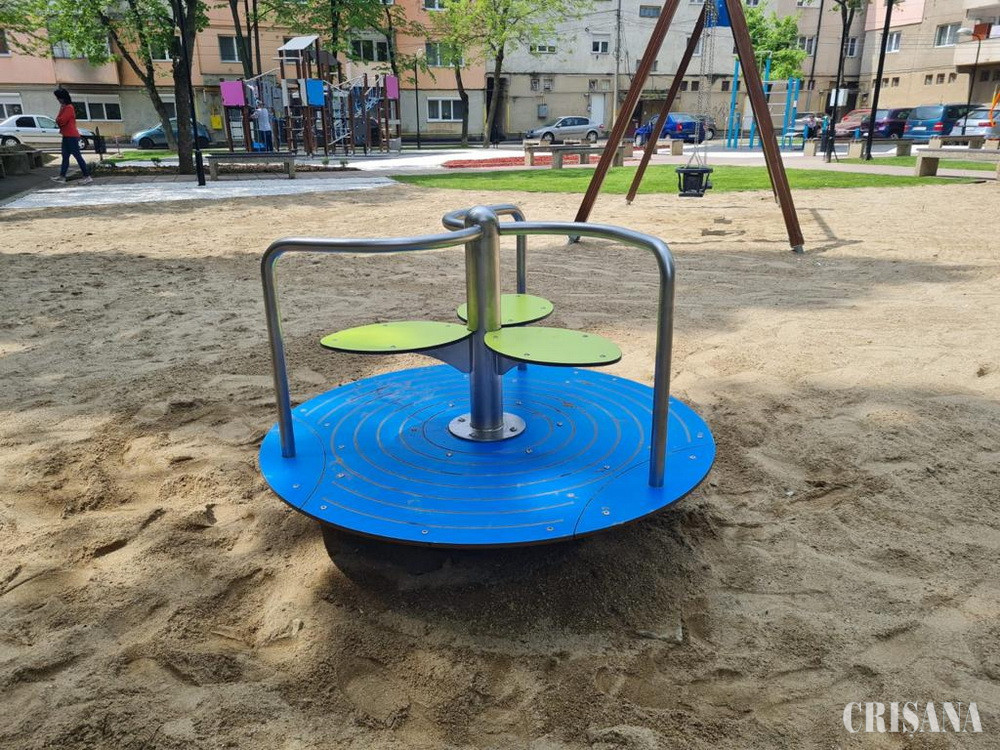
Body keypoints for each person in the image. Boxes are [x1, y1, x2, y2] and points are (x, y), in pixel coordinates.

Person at [52, 88, 92, 184]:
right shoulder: (64, 107)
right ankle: (62, 176)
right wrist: (60, 113)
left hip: (71, 136)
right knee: (65, 156)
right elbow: (58, 119)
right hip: (66, 135)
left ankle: (87, 176)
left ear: (63, 98)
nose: (58, 100)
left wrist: (58, 119)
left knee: (77, 156)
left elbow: (61, 121)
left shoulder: (69, 108)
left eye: (59, 98)